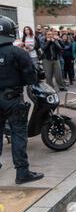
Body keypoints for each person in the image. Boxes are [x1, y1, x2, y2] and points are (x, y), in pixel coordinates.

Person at [0, 16, 44, 183]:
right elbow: (31, 76)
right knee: (18, 133)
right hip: (12, 98)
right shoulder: (18, 52)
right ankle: (22, 172)